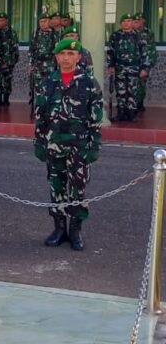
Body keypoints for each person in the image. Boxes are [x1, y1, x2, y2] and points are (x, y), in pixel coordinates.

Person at [34, 38, 103, 252]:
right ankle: (59, 228)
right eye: (62, 54)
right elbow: (40, 116)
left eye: (71, 54)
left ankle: (75, 230)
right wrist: (39, 142)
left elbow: (96, 118)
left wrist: (94, 145)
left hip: (79, 145)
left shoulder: (89, 83)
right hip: (54, 144)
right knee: (56, 188)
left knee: (78, 189)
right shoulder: (47, 82)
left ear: (78, 57)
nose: (66, 58)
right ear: (56, 57)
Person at [107, 13, 150, 122]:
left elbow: (145, 53)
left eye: (129, 21)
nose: (126, 23)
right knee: (121, 91)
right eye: (124, 21)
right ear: (121, 23)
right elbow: (110, 51)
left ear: (132, 23)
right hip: (120, 67)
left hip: (134, 67)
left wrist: (145, 68)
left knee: (132, 90)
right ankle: (121, 113)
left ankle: (131, 113)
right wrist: (110, 65)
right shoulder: (115, 36)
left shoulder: (139, 36)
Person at [29, 13, 57, 114]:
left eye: (45, 21)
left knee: (50, 86)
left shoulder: (55, 34)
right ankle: (39, 108)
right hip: (38, 65)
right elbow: (31, 50)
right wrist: (30, 64)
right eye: (41, 21)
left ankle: (49, 108)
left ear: (49, 22)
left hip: (50, 64)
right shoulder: (35, 33)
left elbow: (57, 51)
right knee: (38, 87)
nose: (43, 23)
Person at [133, 12, 157, 112]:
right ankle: (130, 105)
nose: (137, 22)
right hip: (132, 64)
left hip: (143, 63)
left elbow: (151, 50)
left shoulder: (148, 33)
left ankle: (139, 104)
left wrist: (148, 66)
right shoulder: (131, 33)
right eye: (135, 20)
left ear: (143, 21)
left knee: (141, 85)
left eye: (139, 20)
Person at [0, 13, 19, 106]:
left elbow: (15, 48)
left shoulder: (11, 32)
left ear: (6, 21)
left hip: (8, 62)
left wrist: (12, 62)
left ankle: (6, 99)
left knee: (7, 82)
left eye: (3, 20)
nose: (1, 22)